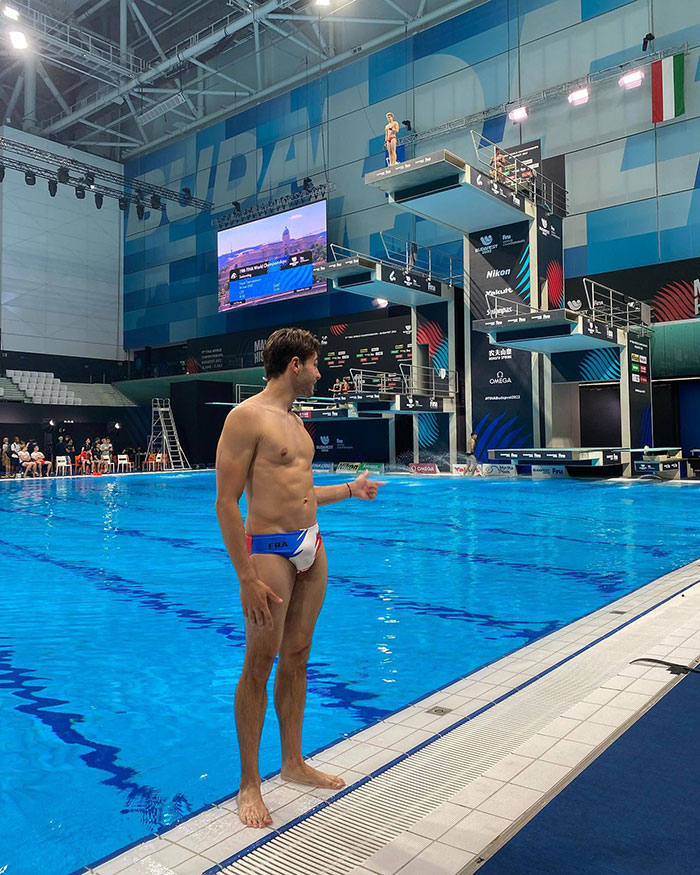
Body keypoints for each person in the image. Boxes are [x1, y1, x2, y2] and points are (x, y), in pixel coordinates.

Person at [216, 327, 386, 830]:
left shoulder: (295, 422)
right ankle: (250, 782)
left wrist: (350, 491)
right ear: (295, 365)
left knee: (297, 657)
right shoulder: (246, 417)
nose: (319, 373)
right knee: (259, 662)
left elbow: (301, 488)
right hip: (268, 551)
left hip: (312, 546)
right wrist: (246, 578)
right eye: (315, 365)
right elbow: (226, 503)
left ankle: (292, 762)